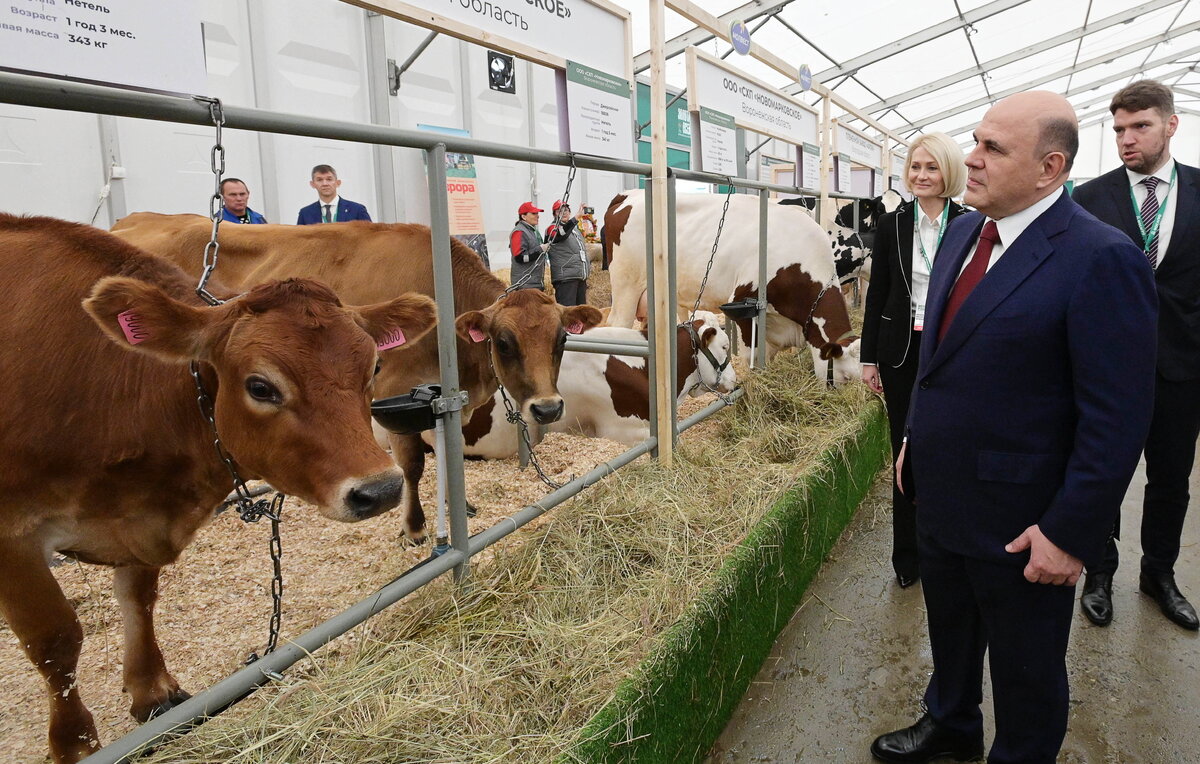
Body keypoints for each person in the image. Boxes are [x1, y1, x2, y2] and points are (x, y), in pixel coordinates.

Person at [871, 91, 1157, 764]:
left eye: (992, 148)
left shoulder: (1099, 258)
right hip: (941, 495)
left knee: (1027, 673)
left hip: (1023, 522)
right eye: (974, 140)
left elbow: (1117, 419)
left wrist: (1070, 533)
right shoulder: (967, 231)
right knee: (951, 633)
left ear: (1050, 167)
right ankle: (952, 725)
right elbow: (939, 358)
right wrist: (914, 439)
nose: (969, 158)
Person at [1072, 80, 1200, 631]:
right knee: (1103, 473)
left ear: (1171, 124)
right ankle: (1098, 573)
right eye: (1119, 128)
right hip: (1107, 369)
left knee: (1171, 477)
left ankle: (1159, 573)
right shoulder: (1089, 198)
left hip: (1181, 365)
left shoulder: (1199, 191)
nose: (1127, 138)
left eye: (1140, 126)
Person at [860, 132, 968, 588]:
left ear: (949, 172)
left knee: (947, 449)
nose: (921, 176)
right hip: (901, 352)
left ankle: (945, 546)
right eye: (915, 167)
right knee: (903, 449)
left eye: (931, 167)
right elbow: (877, 293)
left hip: (951, 350)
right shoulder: (892, 224)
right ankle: (906, 555)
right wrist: (869, 359)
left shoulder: (972, 223)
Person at [544, 200, 590, 306]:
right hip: (565, 278)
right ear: (555, 214)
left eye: (566, 210)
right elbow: (561, 234)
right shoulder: (552, 228)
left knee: (581, 313)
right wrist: (576, 218)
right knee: (568, 314)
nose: (564, 212)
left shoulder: (575, 230)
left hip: (579, 276)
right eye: (560, 211)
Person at [296, 164, 372, 224]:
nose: (325, 183)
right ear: (312, 184)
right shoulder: (305, 213)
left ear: (338, 183)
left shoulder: (357, 210)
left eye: (329, 179)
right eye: (319, 180)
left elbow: (370, 237)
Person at [509, 201, 548, 290]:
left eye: (537, 213)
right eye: (534, 213)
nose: (537, 216)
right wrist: (540, 249)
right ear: (523, 216)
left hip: (532, 283)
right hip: (525, 285)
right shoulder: (519, 232)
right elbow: (520, 258)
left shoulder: (530, 231)